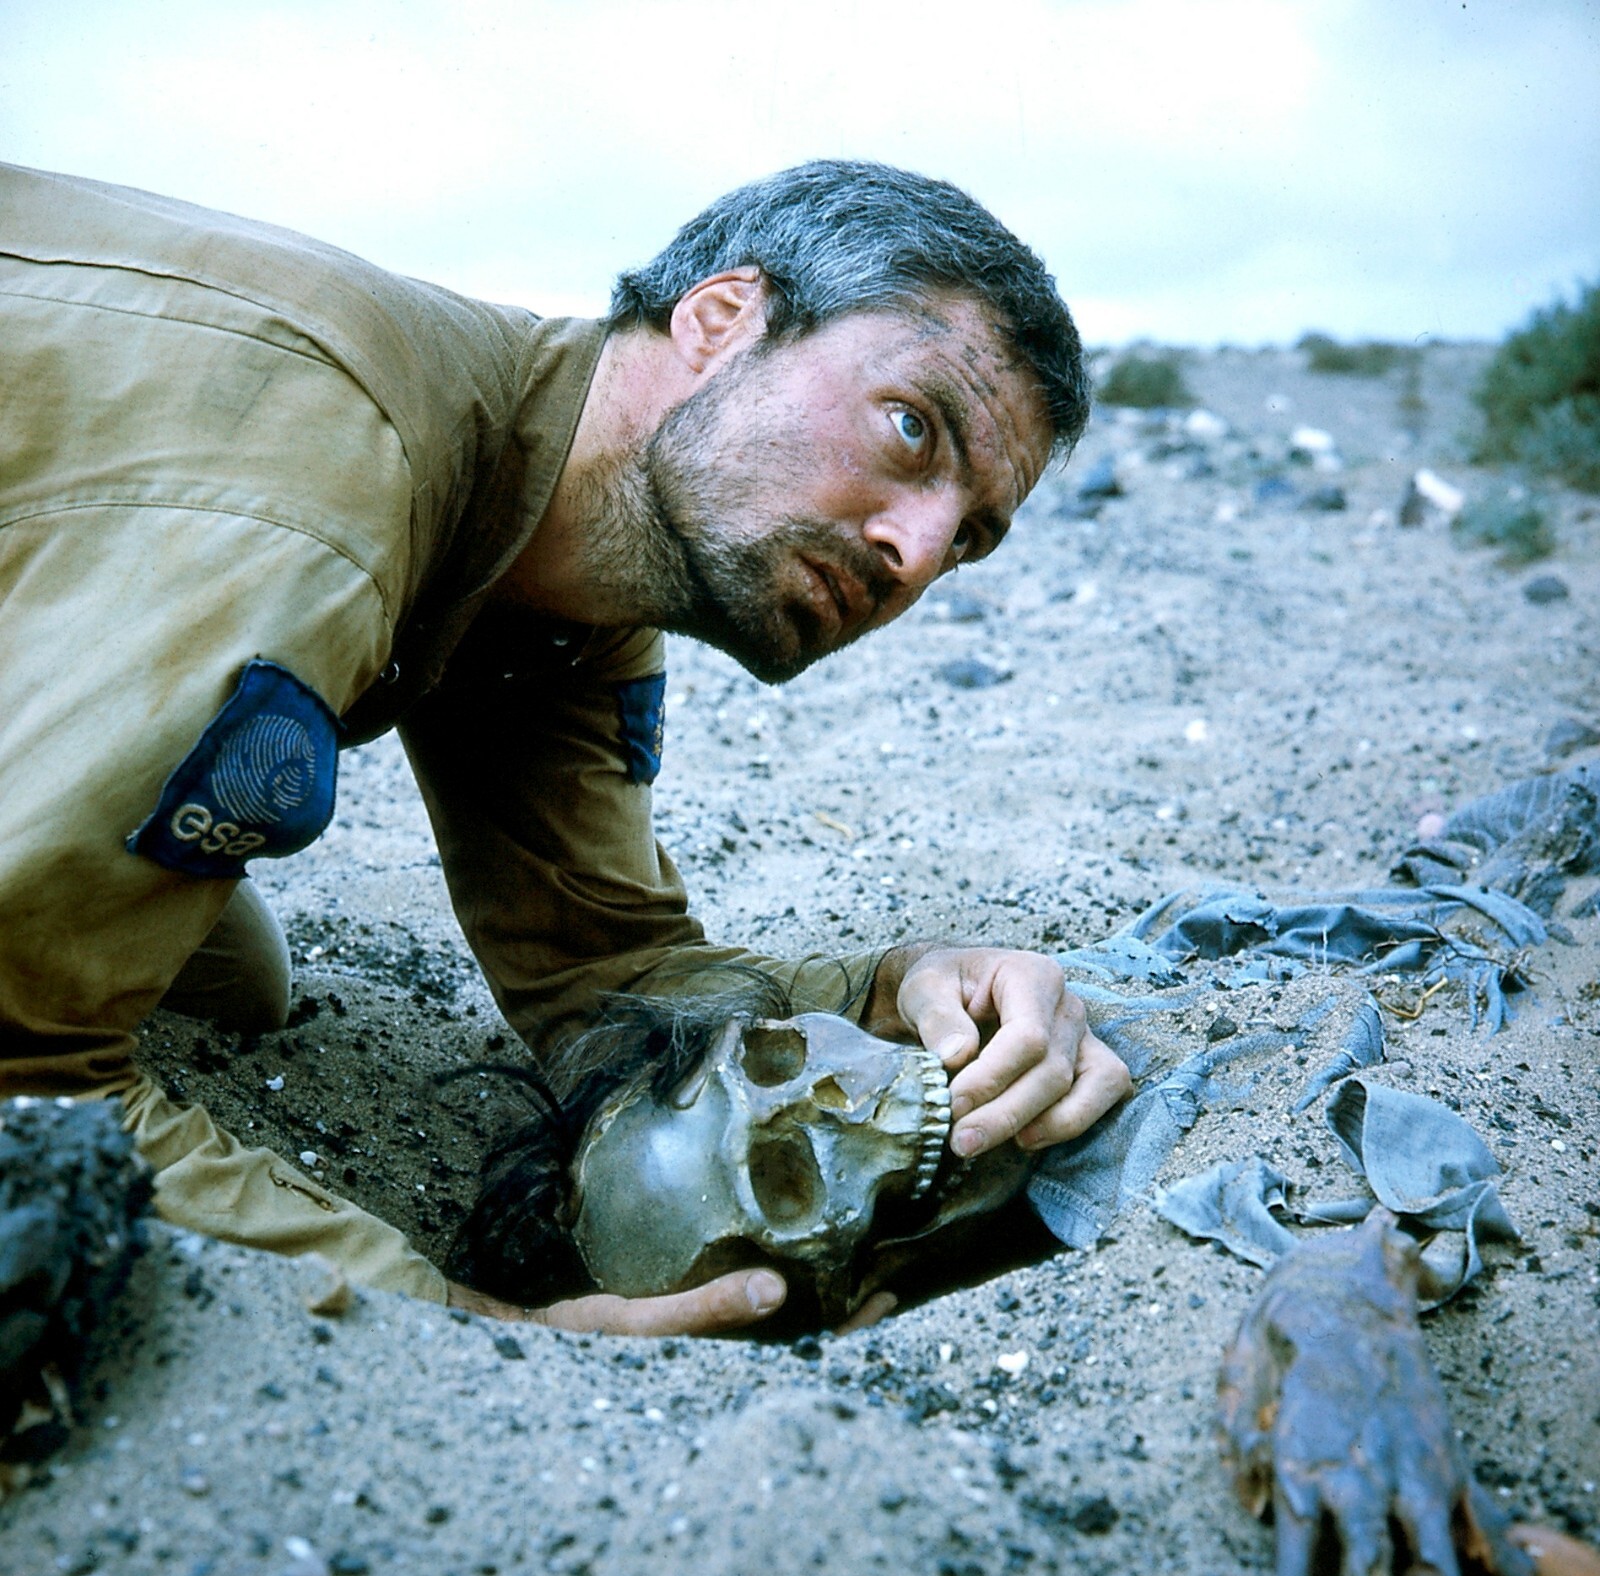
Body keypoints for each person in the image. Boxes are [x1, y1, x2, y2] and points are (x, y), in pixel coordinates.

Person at [0, 158, 1131, 1334]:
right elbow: (24, 1079)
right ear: (721, 318)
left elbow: (598, 971)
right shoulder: (328, 484)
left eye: (970, 537)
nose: (918, 550)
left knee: (228, 979)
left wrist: (896, 987)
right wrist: (451, 1320)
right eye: (910, 427)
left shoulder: (571, 580)